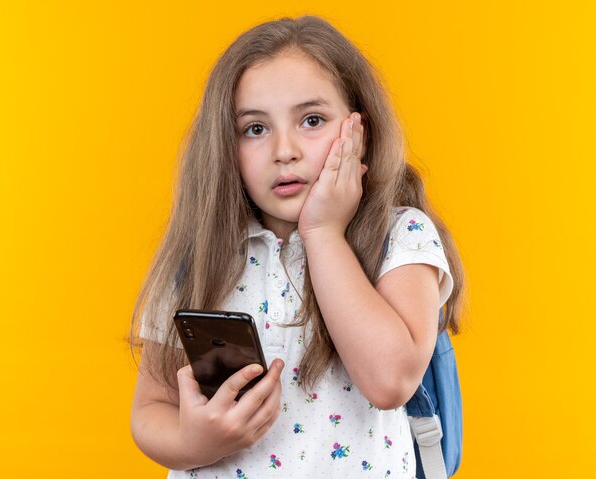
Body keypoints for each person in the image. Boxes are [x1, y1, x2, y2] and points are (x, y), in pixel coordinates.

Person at [129, 15, 466, 479]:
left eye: (311, 120)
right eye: (255, 129)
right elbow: (151, 408)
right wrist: (192, 441)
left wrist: (324, 233)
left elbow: (391, 382)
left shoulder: (400, 237)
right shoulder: (204, 253)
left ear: (359, 131)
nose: (283, 150)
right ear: (225, 146)